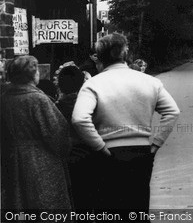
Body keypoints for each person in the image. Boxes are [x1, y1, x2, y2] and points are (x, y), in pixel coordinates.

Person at [72, 33, 180, 215]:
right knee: (137, 205)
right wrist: (156, 143)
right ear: (125, 53)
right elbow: (172, 111)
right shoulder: (151, 82)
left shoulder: (93, 84)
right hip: (142, 151)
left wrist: (99, 146)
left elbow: (80, 119)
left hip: (107, 152)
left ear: (100, 56)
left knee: (108, 206)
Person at [1, 55, 72, 210]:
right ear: (32, 75)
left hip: (12, 161)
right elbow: (57, 132)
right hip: (41, 160)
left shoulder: (4, 99)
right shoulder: (38, 99)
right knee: (46, 204)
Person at [55, 63, 95, 210]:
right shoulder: (90, 106)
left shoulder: (55, 108)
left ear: (59, 85)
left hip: (64, 163)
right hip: (90, 159)